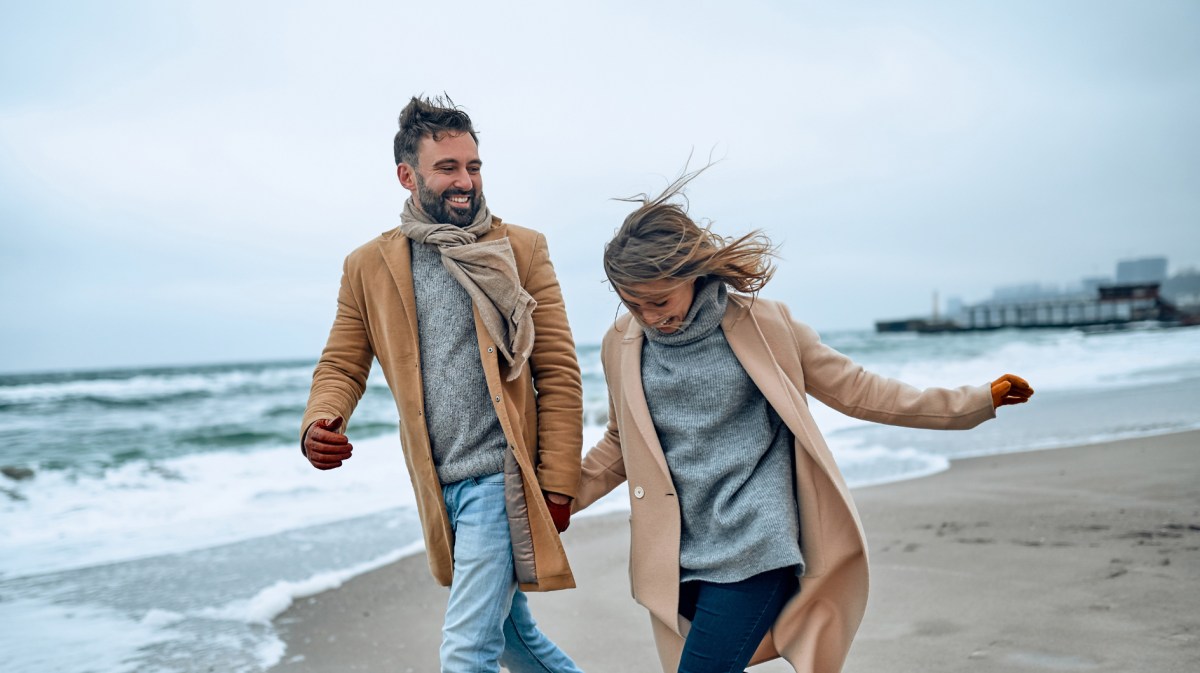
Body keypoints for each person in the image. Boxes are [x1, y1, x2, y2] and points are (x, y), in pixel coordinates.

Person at [572, 167, 1034, 673]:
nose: (650, 316)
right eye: (633, 304)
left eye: (660, 301)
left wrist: (973, 402)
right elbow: (620, 444)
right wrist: (559, 500)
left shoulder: (763, 325)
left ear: (692, 273)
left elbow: (859, 390)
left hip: (755, 542)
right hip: (678, 555)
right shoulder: (622, 344)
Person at [301, 95, 585, 673]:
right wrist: (319, 422)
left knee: (465, 652)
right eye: (448, 168)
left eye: (473, 166)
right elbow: (342, 364)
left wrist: (557, 480)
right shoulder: (369, 266)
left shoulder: (520, 249)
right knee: (513, 639)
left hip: (500, 479)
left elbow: (557, 370)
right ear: (408, 176)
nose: (465, 181)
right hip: (439, 485)